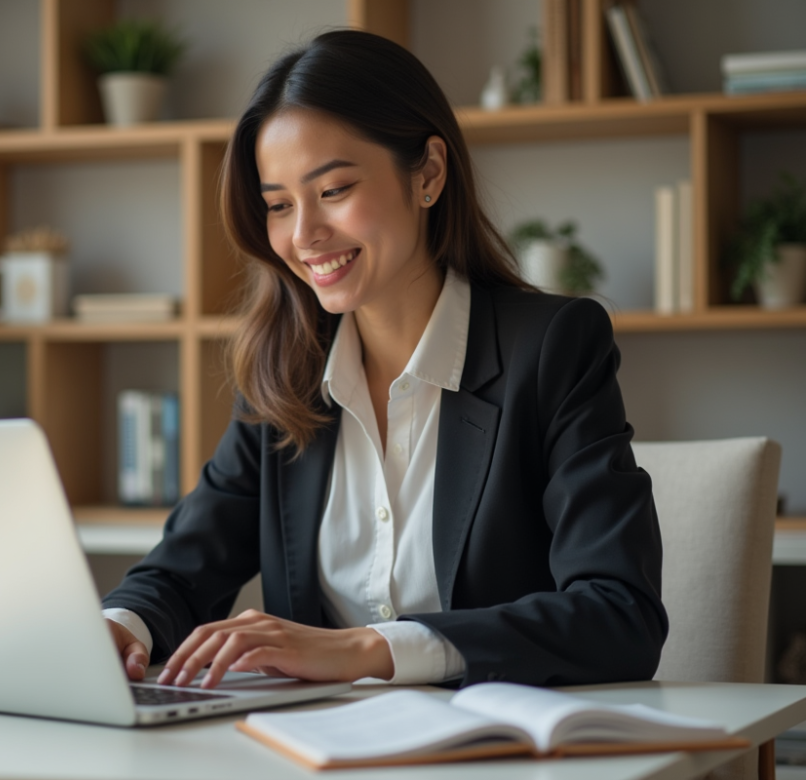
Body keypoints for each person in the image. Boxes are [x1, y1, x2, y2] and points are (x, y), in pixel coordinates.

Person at [101, 29, 667, 689]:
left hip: (494, 749)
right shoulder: (284, 373)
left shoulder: (552, 349)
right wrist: (119, 627)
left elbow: (619, 616)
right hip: (317, 751)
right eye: (279, 205)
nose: (303, 234)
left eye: (334, 190)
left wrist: (370, 649)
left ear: (427, 173)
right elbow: (179, 570)